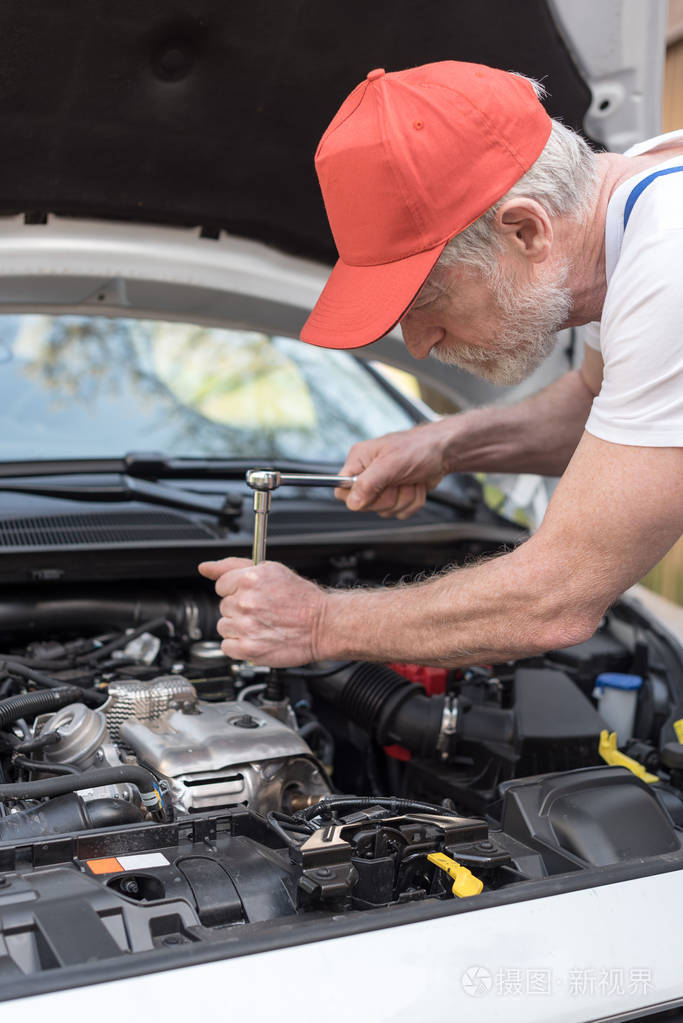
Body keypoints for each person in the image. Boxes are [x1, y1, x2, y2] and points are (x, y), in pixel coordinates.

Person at [199, 61, 683, 668]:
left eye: (425, 302)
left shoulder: (671, 257)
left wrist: (318, 622)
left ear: (526, 231)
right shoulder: (622, 208)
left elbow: (556, 597)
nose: (421, 346)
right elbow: (594, 401)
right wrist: (445, 444)